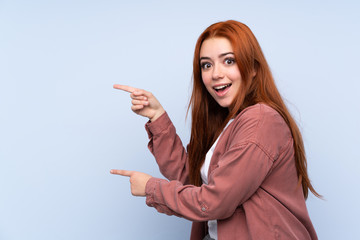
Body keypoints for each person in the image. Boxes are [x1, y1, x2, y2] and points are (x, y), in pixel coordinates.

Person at [111, 20, 320, 240]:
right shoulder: (227, 123)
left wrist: (152, 188)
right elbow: (191, 183)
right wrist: (157, 116)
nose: (215, 74)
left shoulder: (260, 120)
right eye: (206, 65)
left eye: (229, 61)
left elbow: (214, 201)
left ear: (254, 68)